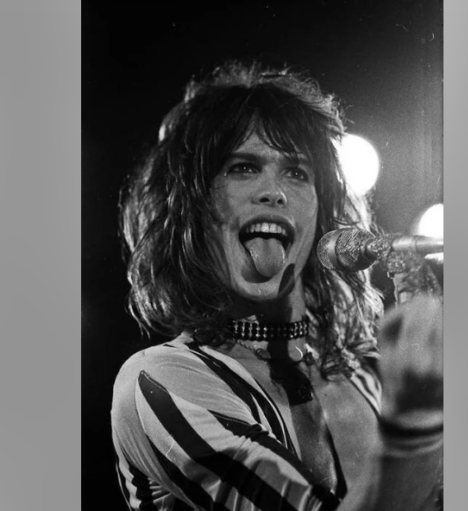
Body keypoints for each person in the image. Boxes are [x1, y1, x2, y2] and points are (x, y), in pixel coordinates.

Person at [112, 61, 443, 511]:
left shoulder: (370, 376)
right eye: (243, 167)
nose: (274, 192)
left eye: (297, 172)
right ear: (191, 209)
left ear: (322, 215)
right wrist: (416, 425)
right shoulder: (159, 380)